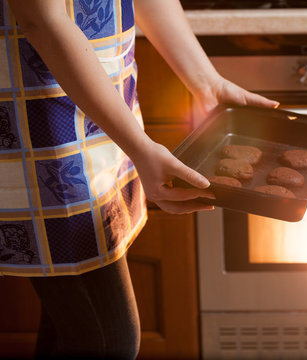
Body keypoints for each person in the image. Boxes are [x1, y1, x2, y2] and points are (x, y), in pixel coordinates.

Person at [0, 0, 278, 358]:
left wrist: (206, 81)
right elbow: (42, 18)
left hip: (103, 108)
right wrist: (139, 146)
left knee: (75, 325)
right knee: (108, 341)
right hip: (38, 127)